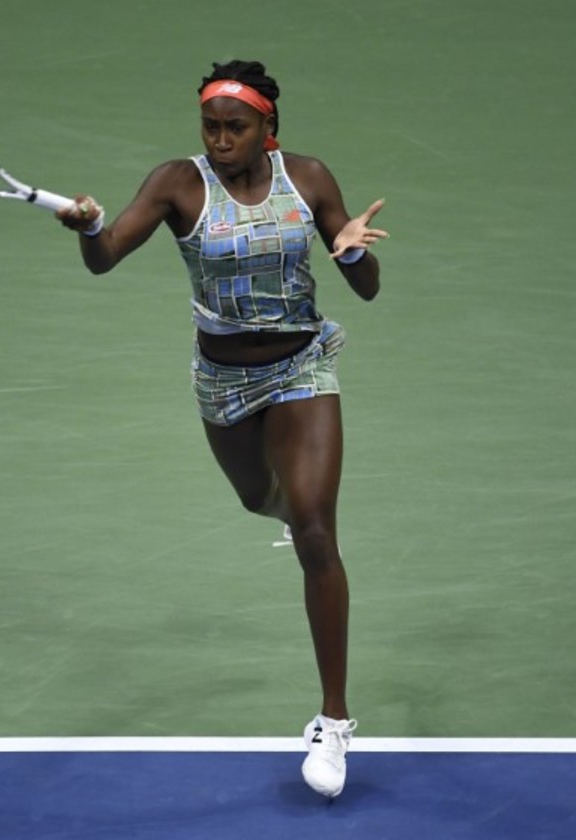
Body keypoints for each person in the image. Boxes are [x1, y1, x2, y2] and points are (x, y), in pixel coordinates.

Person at [57, 59, 388, 799]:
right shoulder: (178, 183)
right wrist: (90, 228)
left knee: (315, 530)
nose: (219, 139)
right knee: (258, 497)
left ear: (269, 129)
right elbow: (105, 259)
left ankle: (333, 720)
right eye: (210, 126)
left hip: (302, 365)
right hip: (223, 381)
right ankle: (290, 506)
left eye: (235, 127)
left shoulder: (308, 178)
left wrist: (353, 251)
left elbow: (365, 287)